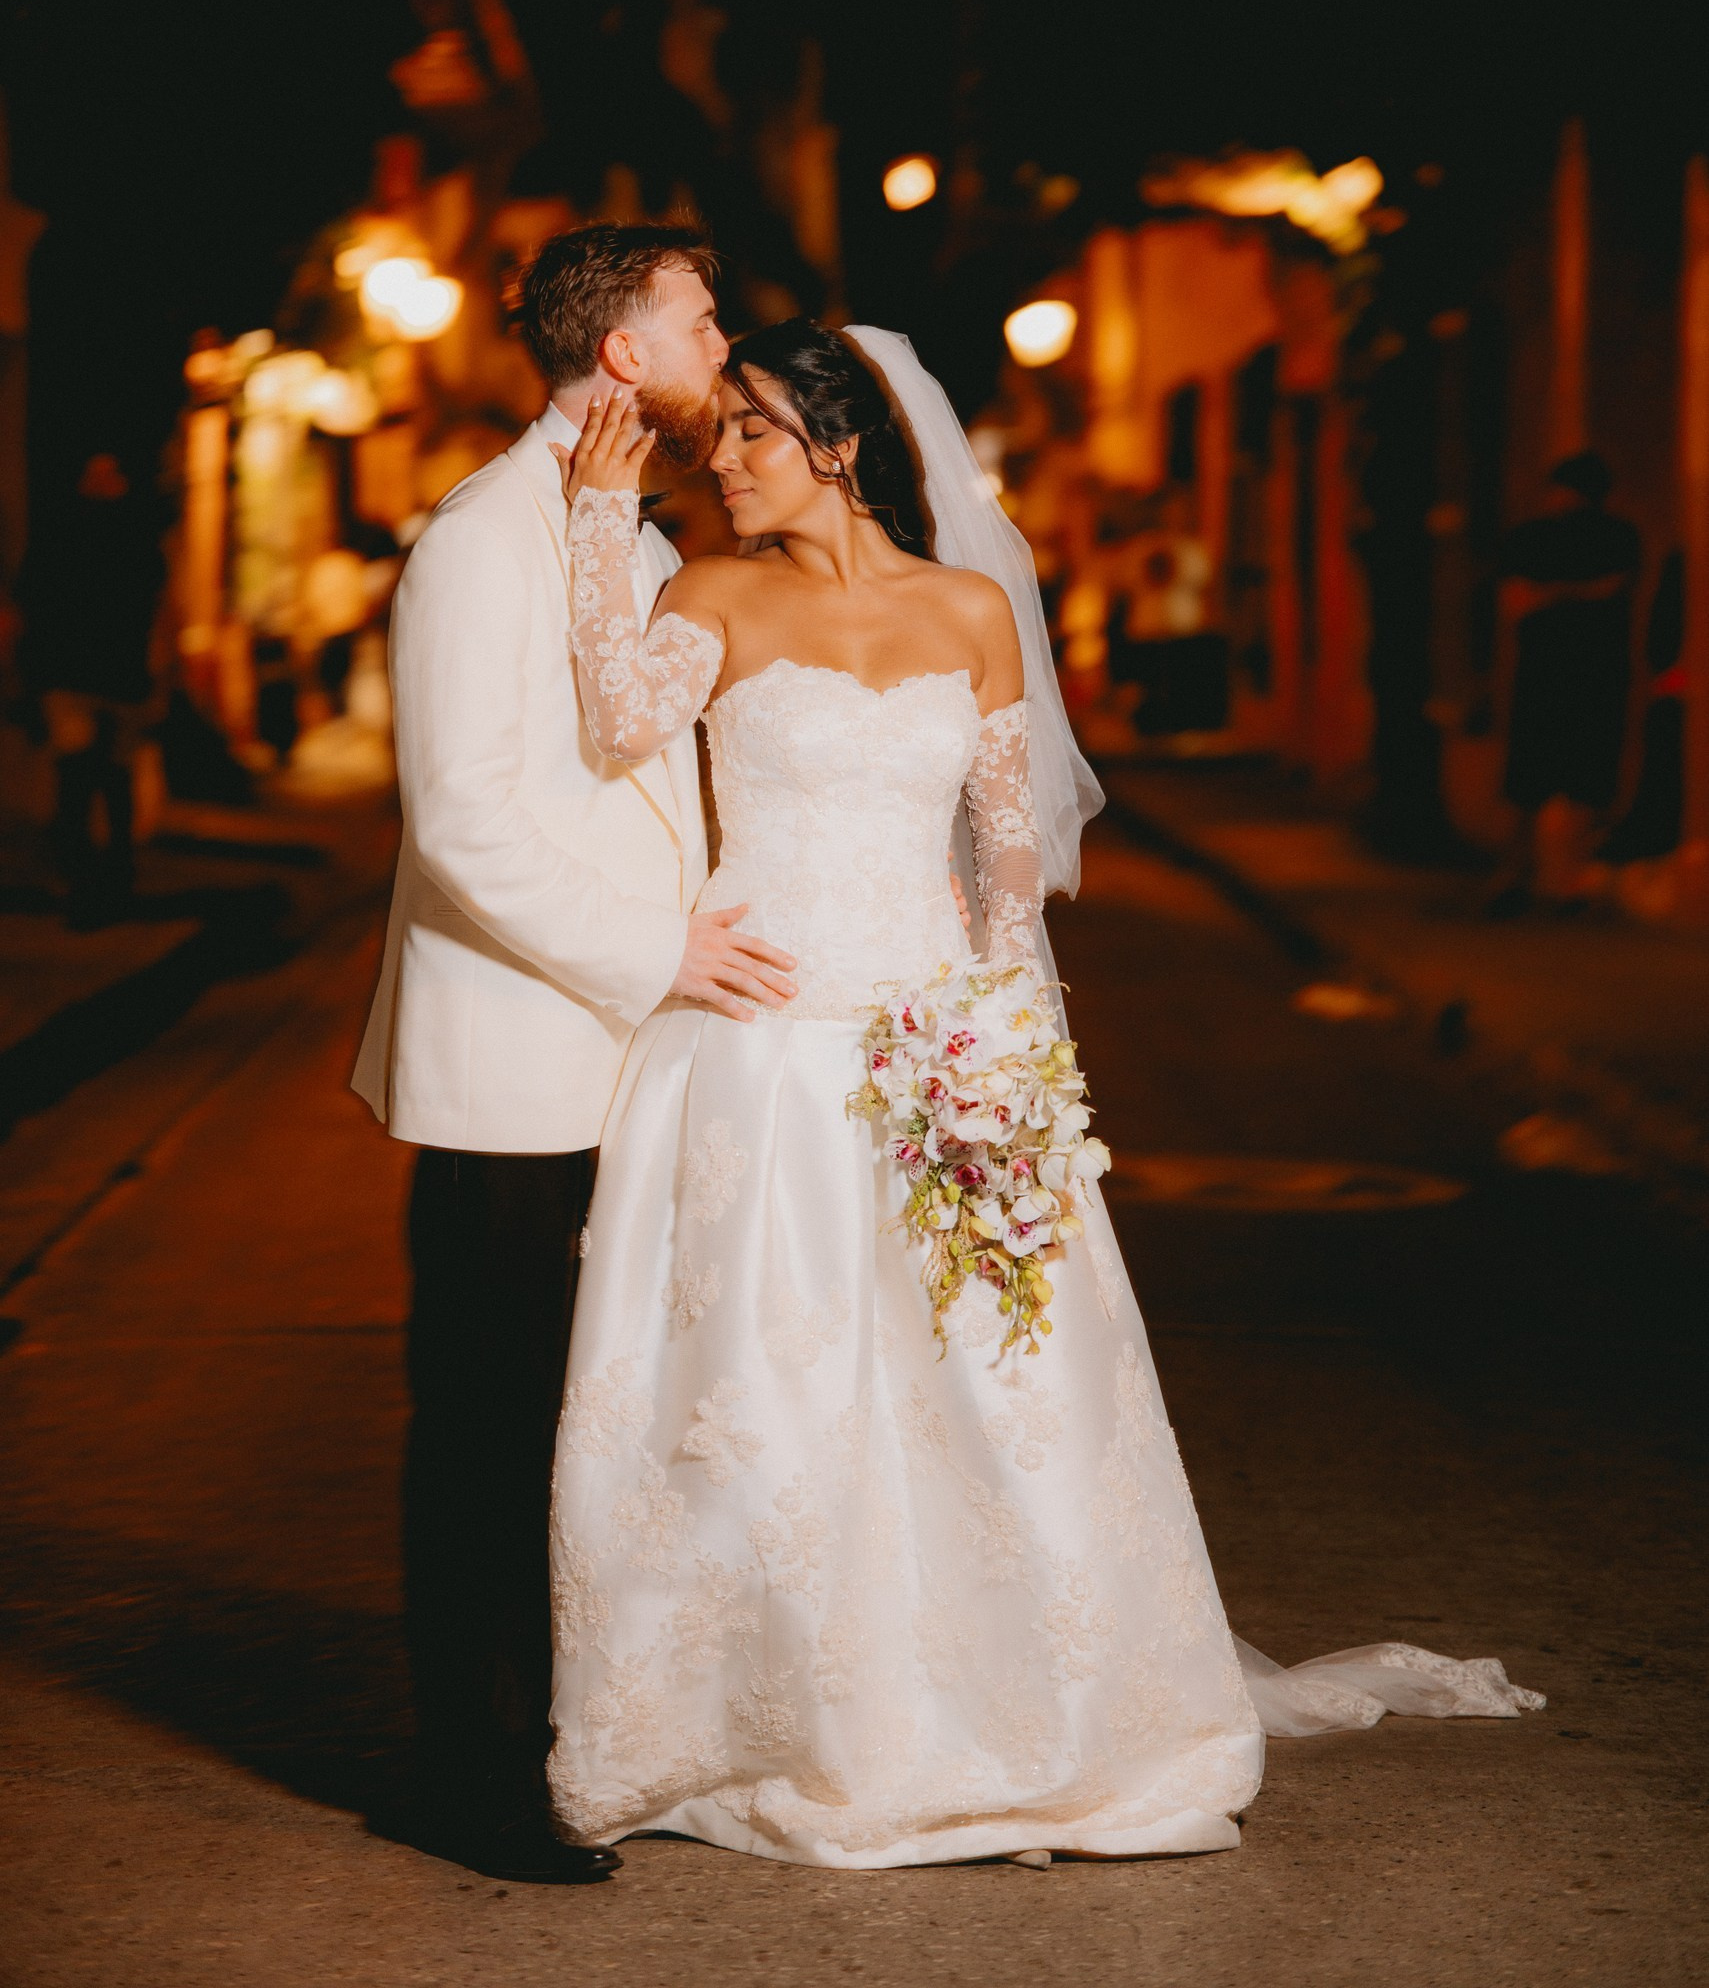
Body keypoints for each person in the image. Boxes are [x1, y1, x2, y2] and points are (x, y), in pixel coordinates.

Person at [544, 319, 1542, 1871]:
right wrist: (604, 521)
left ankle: (1027, 1711)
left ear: (842, 442)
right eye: (718, 436)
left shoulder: (967, 610)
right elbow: (616, 724)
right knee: (773, 1399)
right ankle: (781, 1713)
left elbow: (1005, 851)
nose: (721, 463)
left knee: (992, 1393)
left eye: (748, 434)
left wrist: (1010, 1047)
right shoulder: (710, 593)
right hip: (764, 1055)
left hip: (942, 1044)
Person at [351, 224, 801, 1885]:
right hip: (517, 1056)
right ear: (620, 351)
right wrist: (656, 951)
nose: (719, 341)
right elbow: (463, 818)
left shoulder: (622, 525)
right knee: (486, 1411)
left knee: (591, 1419)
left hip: (627, 1050)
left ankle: (572, 1729)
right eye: (698, 317)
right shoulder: (480, 538)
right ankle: (459, 1771)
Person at [17, 449, 166, 928]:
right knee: (92, 773)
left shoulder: (99, 535)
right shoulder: (123, 536)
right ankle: (96, 877)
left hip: (104, 677)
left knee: (97, 774)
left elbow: (33, 598)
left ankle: (103, 874)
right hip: (90, 676)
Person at [1491, 450, 1641, 912]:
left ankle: (1529, 875)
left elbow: (1520, 600)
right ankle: (1562, 879)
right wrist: (1579, 593)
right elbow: (1610, 589)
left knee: (1538, 778)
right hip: (1595, 669)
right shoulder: (1617, 537)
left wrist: (1550, 595)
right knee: (1580, 779)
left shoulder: (1533, 539)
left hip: (1549, 668)